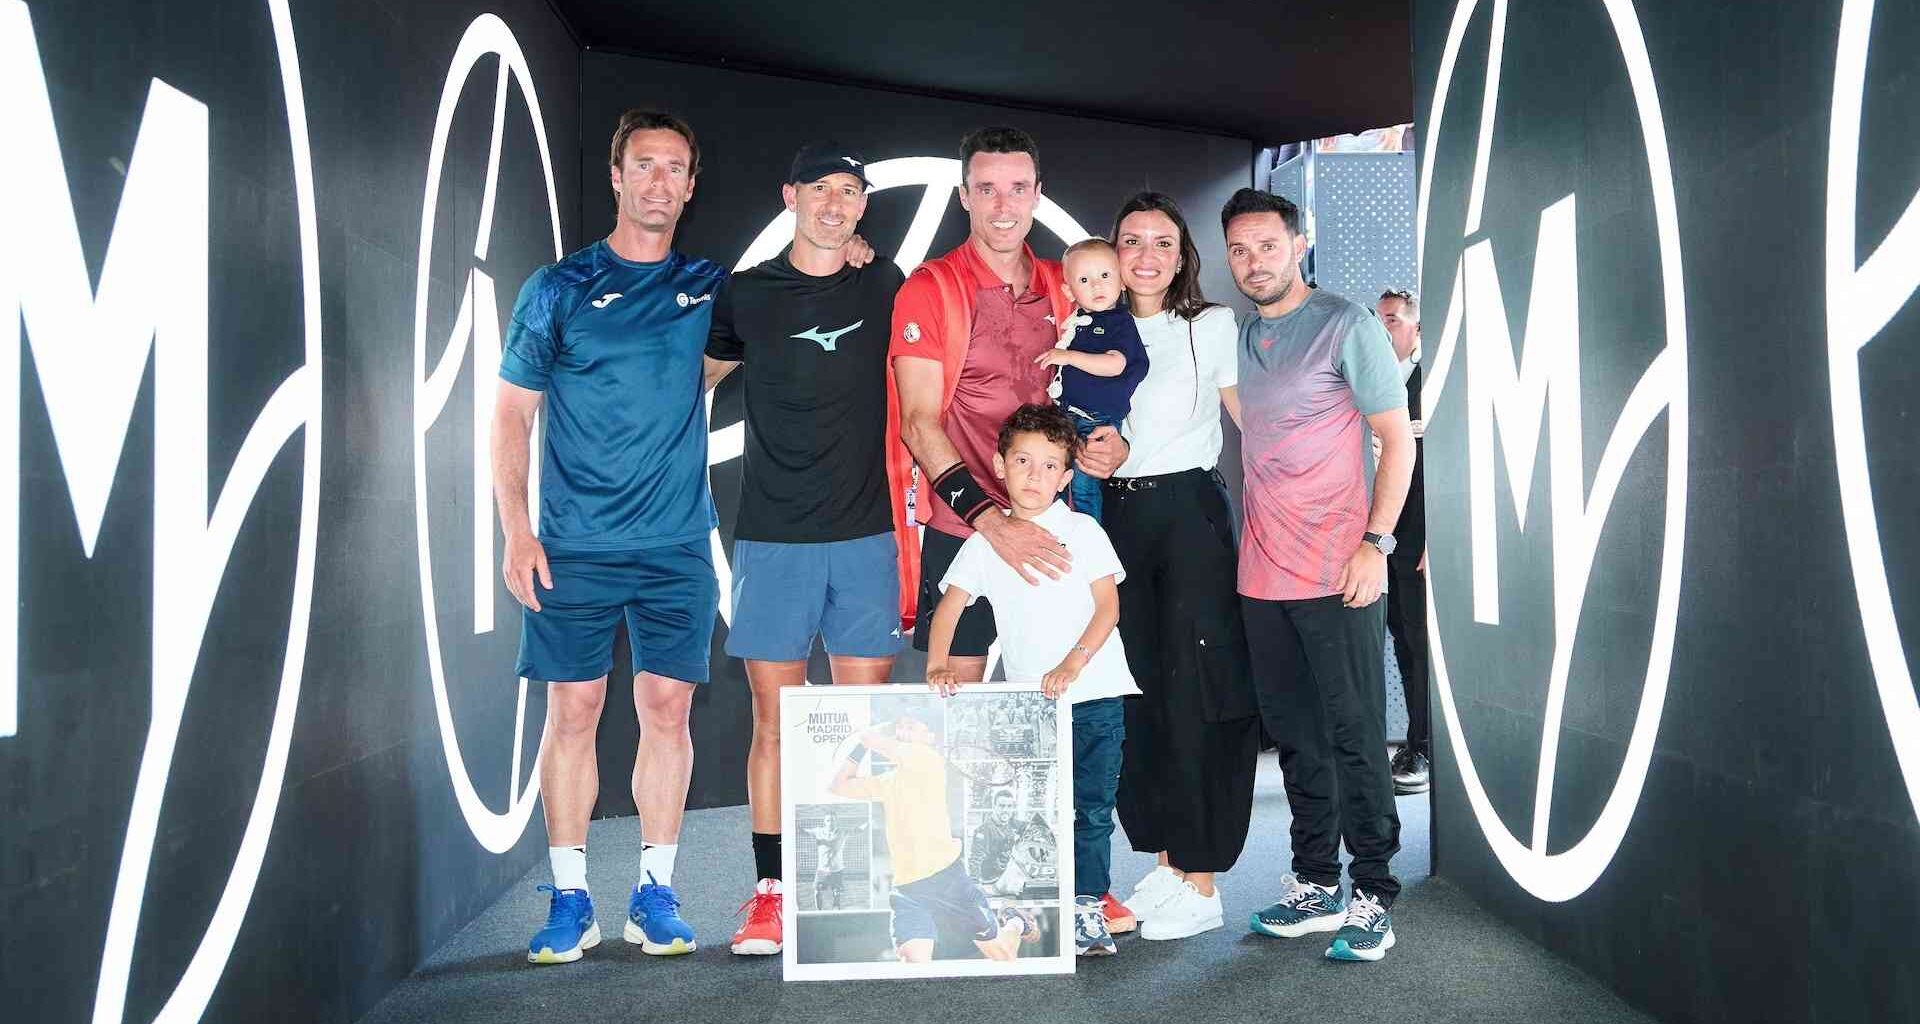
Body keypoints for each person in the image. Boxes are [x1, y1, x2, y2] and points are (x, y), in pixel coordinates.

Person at [501, 110, 722, 963]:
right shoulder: (558, 287)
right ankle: (570, 900)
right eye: (645, 165)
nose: (660, 180)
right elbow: (511, 417)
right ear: (618, 177)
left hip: (674, 547)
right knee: (575, 710)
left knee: (667, 710)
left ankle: (653, 893)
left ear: (690, 187)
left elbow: (786, 309)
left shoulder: (708, 287)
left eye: (676, 167)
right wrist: (518, 530)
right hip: (574, 545)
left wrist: (847, 255)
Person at [702, 141, 906, 955]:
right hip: (774, 539)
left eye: (849, 191)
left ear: (862, 206)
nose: (834, 203)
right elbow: (695, 381)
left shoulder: (886, 282)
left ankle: (855, 891)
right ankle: (772, 895)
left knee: (867, 729)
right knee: (775, 724)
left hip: (865, 536)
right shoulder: (745, 294)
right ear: (790, 195)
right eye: (820, 188)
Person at [1223, 189, 1414, 963]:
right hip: (1262, 573)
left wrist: (1378, 541)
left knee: (1356, 734)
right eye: (1239, 249)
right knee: (1298, 737)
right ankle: (1315, 882)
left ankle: (1373, 893)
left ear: (1298, 245)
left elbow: (1395, 441)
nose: (1253, 261)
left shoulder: (1346, 323)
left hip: (1342, 568)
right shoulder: (1237, 337)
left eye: (1268, 244)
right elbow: (1254, 426)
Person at [887, 126, 1126, 677]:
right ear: (964, 195)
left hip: (1053, 520)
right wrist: (994, 524)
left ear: (1037, 193)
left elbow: (1107, 388)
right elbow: (918, 425)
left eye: (1017, 188)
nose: (1002, 205)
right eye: (986, 188)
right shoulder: (930, 287)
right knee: (960, 701)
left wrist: (1115, 442)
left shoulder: (1066, 284)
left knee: (1060, 697)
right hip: (964, 523)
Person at [924, 404, 1141, 957]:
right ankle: (1035, 908)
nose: (1034, 475)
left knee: (1092, 809)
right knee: (1035, 813)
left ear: (1067, 478)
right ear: (999, 465)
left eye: (1049, 465)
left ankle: (1088, 907)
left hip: (1094, 695)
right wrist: (937, 663)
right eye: (1022, 460)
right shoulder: (985, 543)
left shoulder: (1083, 529)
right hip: (1032, 709)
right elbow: (951, 606)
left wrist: (1073, 664)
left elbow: (1108, 607)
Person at [1100, 193, 1260, 942]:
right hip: (1118, 521)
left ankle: (1203, 878)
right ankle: (1167, 864)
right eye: (1131, 241)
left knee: (1200, 689)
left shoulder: (1211, 325)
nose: (1145, 255)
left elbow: (1249, 421)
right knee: (1142, 690)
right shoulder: (1086, 328)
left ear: (1182, 255)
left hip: (1191, 517)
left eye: (1161, 242)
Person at [829, 714, 1030, 962]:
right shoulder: (889, 780)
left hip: (949, 880)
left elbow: (880, 742)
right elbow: (838, 785)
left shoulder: (929, 760)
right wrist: (861, 746)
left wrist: (867, 736)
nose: (903, 730)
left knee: (1003, 956)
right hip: (908, 889)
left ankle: (1015, 922)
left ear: (930, 738)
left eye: (912, 726)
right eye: (900, 726)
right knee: (914, 964)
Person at [1034, 239, 1149, 521]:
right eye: (1084, 280)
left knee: (1084, 487)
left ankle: (1089, 541)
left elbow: (1115, 364)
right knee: (1059, 482)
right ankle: (1064, 534)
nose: (1097, 286)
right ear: (1068, 291)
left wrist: (1069, 357)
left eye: (1105, 276)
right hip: (1068, 416)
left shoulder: (1118, 321)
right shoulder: (1079, 319)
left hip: (1095, 420)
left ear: (1122, 282)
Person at [1376, 288, 1430, 795]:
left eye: (1391, 319)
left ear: (1415, 327)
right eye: (1378, 319)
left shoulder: (1433, 382)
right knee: (1400, 640)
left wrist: (1441, 535)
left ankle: (1426, 749)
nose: (1382, 328)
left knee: (1421, 644)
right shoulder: (1372, 383)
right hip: (1379, 538)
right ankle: (1416, 744)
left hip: (1420, 537)